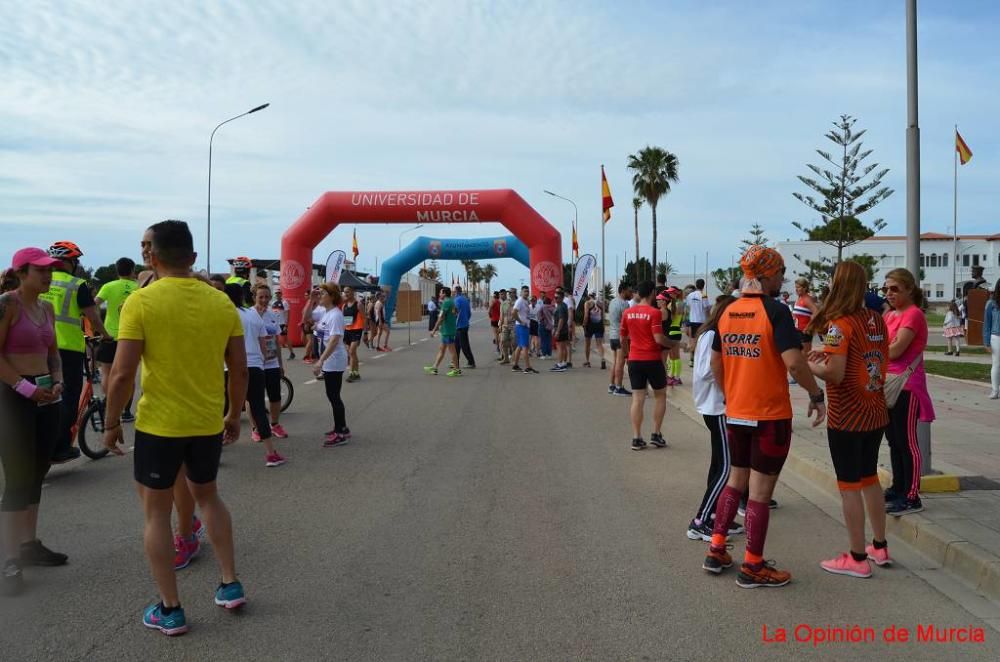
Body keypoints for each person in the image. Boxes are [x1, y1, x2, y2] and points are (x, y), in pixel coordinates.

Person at [102, 220, 248, 635]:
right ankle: (229, 583)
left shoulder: (142, 302)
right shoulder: (221, 302)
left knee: (156, 512)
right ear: (194, 258)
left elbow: (122, 373)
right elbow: (238, 367)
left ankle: (171, 608)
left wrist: (112, 423)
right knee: (210, 498)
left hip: (159, 425)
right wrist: (234, 413)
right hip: (206, 422)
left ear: (152, 255)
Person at [701, 245, 827, 588]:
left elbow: (715, 362)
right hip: (769, 415)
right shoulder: (776, 311)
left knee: (735, 480)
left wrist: (732, 391)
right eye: (781, 271)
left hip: (737, 411)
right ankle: (753, 565)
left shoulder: (727, 310)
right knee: (759, 491)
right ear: (768, 274)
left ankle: (716, 548)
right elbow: (795, 362)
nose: (783, 277)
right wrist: (816, 395)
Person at [807, 261, 891, 577]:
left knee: (849, 486)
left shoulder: (837, 325)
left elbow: (835, 373)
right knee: (870, 478)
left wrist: (811, 365)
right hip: (876, 411)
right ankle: (879, 547)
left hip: (847, 417)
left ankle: (856, 557)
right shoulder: (876, 320)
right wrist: (826, 358)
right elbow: (870, 358)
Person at [0, 248, 68, 596]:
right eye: (41, 270)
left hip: (45, 397)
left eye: (50, 270)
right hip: (13, 400)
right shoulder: (7, 304)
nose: (48, 275)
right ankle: (10, 558)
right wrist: (23, 387)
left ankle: (29, 544)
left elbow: (52, 351)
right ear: (21, 272)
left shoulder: (47, 308)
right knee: (17, 476)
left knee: (39, 470)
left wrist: (56, 378)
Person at [39, 241, 110, 463]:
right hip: (67, 349)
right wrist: (106, 335)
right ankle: (59, 448)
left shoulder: (41, 281)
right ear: (68, 262)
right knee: (68, 397)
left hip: (38, 347)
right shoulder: (77, 285)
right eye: (75, 261)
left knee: (42, 395)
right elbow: (93, 316)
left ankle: (37, 442)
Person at [687, 295, 744, 542]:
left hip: (714, 406)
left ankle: (715, 515)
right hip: (717, 407)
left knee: (718, 464)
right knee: (726, 468)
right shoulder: (712, 335)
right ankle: (700, 520)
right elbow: (707, 370)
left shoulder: (709, 333)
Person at [882, 268, 934, 516]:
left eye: (895, 289)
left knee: (907, 441)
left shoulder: (913, 315)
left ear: (909, 290)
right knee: (893, 439)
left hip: (907, 385)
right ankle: (898, 487)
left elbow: (895, 351)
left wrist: (876, 348)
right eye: (886, 289)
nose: (889, 293)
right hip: (889, 383)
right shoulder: (891, 315)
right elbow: (881, 345)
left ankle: (912, 496)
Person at [225, 284, 284, 468]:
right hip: (256, 367)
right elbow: (265, 345)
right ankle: (271, 453)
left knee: (221, 409)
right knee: (259, 408)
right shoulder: (253, 316)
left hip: (230, 368)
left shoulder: (225, 314)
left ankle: (212, 452)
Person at [621, 281, 672, 450]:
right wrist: (672, 344)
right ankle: (656, 435)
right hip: (652, 359)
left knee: (637, 398)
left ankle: (636, 437)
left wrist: (627, 355)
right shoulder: (654, 313)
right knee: (660, 396)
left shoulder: (627, 313)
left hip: (634, 359)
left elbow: (623, 338)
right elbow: (659, 338)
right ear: (651, 293)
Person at [95, 257, 139, 419]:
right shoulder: (138, 287)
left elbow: (95, 304)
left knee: (106, 372)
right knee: (130, 374)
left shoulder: (109, 286)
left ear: (117, 270)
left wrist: (98, 325)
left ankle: (111, 405)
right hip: (131, 336)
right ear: (132, 270)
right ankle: (126, 411)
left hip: (110, 335)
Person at [313, 284, 351, 446]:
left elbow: (334, 340)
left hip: (334, 359)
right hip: (330, 359)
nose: (320, 295)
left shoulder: (335, 315)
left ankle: (341, 432)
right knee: (332, 395)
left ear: (332, 296)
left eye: (323, 293)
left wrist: (321, 360)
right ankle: (340, 427)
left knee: (334, 396)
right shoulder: (326, 313)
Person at [252, 285, 288, 440]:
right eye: (261, 297)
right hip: (255, 362)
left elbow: (276, 340)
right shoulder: (249, 314)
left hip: (272, 362)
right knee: (254, 398)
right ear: (254, 297)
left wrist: (280, 364)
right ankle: (256, 428)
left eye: (267, 297)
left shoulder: (273, 315)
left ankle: (275, 424)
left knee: (275, 396)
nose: (264, 300)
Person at [426, 287, 461, 377]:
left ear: (445, 294)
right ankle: (435, 367)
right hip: (447, 330)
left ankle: (457, 370)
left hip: (448, 331)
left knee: (452, 351)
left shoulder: (446, 302)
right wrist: (451, 319)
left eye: (441, 293)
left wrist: (433, 330)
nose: (439, 294)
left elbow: (441, 318)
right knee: (441, 350)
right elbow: (456, 312)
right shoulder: (451, 301)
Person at [607, 283, 632, 396]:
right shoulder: (624, 304)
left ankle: (612, 385)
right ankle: (618, 387)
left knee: (615, 362)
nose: (630, 293)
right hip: (620, 336)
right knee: (620, 364)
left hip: (612, 335)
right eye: (628, 291)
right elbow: (627, 322)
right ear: (623, 290)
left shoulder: (612, 302)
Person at [510, 286, 538, 374]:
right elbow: (513, 312)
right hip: (522, 327)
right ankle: (528, 367)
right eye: (525, 291)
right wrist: (520, 321)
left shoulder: (526, 301)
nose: (527, 293)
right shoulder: (520, 301)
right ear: (521, 292)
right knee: (525, 347)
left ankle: (515, 365)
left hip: (525, 326)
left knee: (520, 346)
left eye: (528, 291)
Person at [686, 279, 712, 368]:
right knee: (701, 341)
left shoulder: (690, 295)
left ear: (696, 285)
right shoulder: (704, 295)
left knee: (693, 340)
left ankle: (691, 360)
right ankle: (699, 360)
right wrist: (710, 319)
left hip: (692, 320)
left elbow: (688, 307)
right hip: (702, 321)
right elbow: (707, 309)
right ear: (703, 286)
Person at [341, 286, 365, 382]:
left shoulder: (358, 305)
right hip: (347, 331)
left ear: (353, 292)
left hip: (356, 330)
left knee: (351, 352)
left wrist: (366, 332)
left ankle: (351, 373)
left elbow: (365, 318)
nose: (346, 294)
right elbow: (344, 320)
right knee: (352, 353)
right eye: (344, 292)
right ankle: (356, 373)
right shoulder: (344, 306)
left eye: (348, 292)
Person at [792, 278, 818, 351]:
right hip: (797, 332)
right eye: (795, 287)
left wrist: (809, 327)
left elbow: (817, 313)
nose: (796, 289)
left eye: (798, 287)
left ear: (805, 288)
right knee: (800, 357)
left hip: (804, 333)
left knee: (804, 357)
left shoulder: (807, 299)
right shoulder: (799, 298)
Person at [453, 286, 476, 369]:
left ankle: (471, 362)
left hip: (459, 326)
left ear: (456, 292)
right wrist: (466, 320)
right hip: (464, 325)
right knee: (456, 345)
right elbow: (469, 313)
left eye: (454, 292)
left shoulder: (456, 300)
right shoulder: (465, 299)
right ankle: (455, 362)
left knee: (464, 345)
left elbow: (455, 313)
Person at [550, 289, 571, 372]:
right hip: (564, 329)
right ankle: (563, 363)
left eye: (557, 297)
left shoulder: (561, 306)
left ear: (562, 298)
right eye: (555, 297)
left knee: (560, 347)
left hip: (561, 329)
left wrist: (557, 331)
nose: (555, 299)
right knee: (563, 347)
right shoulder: (563, 305)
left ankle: (560, 364)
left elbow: (561, 319)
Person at [583, 294, 606, 369]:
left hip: (590, 326)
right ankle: (602, 359)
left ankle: (587, 361)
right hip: (599, 325)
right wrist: (603, 325)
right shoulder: (600, 303)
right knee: (599, 344)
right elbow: (602, 316)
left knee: (587, 344)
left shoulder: (587, 303)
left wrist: (584, 324)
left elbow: (586, 315)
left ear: (589, 295)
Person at [986, 280, 1000, 400]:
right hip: (996, 337)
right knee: (996, 364)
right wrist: (986, 342)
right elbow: (987, 324)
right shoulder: (992, 304)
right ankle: (995, 390)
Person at [271, 288, 294, 360]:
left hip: (282, 324)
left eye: (279, 293)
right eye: (276, 293)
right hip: (275, 324)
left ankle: (292, 353)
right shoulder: (273, 303)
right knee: (274, 339)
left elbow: (288, 314)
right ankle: (274, 355)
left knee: (285, 339)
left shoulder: (284, 303)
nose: (277, 294)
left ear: (281, 294)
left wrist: (286, 325)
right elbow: (272, 313)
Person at [301, 288, 319, 364]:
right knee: (310, 341)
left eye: (306, 295)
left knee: (311, 342)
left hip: (310, 324)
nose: (305, 296)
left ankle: (312, 355)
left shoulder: (312, 302)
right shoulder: (310, 302)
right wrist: (307, 322)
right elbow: (304, 314)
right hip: (308, 325)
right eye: (305, 295)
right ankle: (306, 356)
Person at [498, 289, 513, 364]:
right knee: (503, 341)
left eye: (503, 294)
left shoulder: (510, 302)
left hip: (512, 325)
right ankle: (506, 358)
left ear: (505, 294)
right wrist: (500, 325)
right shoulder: (502, 304)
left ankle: (514, 359)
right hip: (505, 325)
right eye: (500, 294)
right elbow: (501, 316)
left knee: (513, 343)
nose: (501, 296)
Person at [538, 293, 554, 359]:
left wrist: (541, 319)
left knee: (543, 339)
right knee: (549, 339)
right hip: (550, 325)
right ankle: (549, 354)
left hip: (543, 324)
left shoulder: (542, 307)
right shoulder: (552, 307)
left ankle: (544, 354)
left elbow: (539, 316)